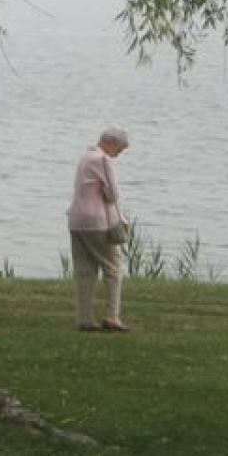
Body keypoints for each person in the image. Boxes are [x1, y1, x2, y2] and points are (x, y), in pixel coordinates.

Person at [66, 125, 131, 332]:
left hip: (76, 220)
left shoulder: (86, 156)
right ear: (111, 142)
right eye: (120, 149)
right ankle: (112, 316)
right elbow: (112, 194)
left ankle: (84, 318)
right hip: (96, 221)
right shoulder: (103, 160)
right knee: (113, 268)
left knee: (84, 270)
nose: (119, 153)